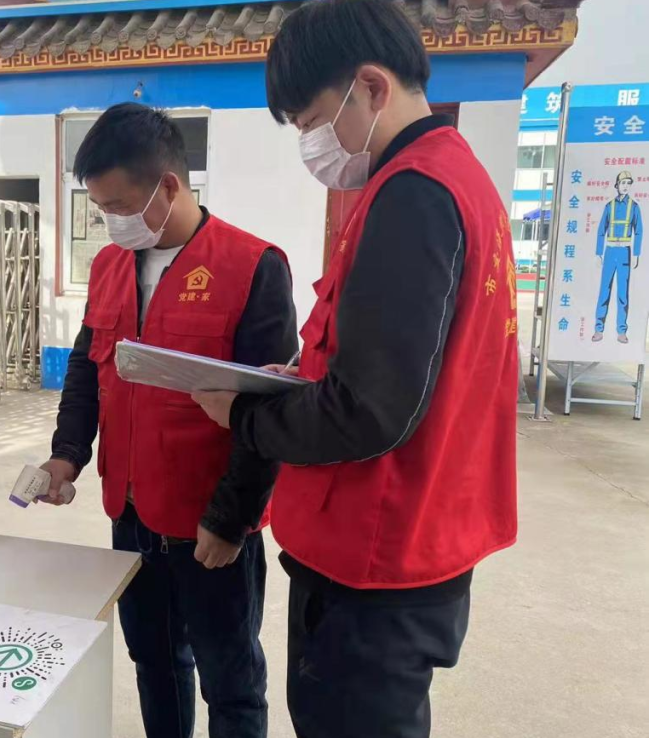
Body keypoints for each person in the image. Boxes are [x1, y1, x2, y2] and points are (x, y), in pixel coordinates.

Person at [192, 2, 518, 736]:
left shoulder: (413, 194)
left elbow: (367, 409)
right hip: (412, 539)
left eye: (312, 121)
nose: (311, 145)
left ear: (371, 87)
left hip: (376, 557)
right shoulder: (455, 179)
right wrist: (300, 375)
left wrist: (244, 413)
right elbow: (399, 368)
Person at [39, 103, 296, 738]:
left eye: (120, 206)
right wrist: (67, 454)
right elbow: (87, 368)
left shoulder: (251, 266)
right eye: (100, 208)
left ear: (169, 186)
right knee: (154, 663)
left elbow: (269, 408)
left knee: (231, 683)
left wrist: (231, 519)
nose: (111, 221)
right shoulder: (109, 266)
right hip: (131, 515)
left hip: (210, 524)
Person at [594, 170, 642, 343]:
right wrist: (598, 253)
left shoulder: (634, 206)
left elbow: (639, 231)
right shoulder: (609, 206)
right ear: (617, 185)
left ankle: (621, 331)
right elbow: (601, 230)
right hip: (610, 251)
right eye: (623, 183)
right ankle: (598, 329)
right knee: (604, 291)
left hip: (624, 253)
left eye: (628, 183)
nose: (626, 186)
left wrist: (636, 254)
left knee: (623, 293)